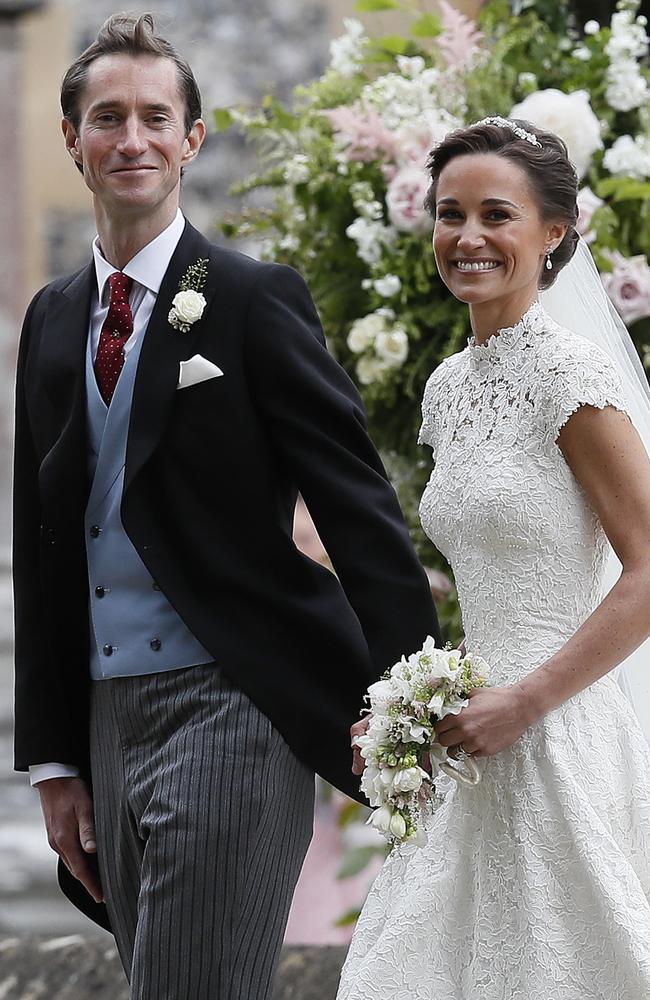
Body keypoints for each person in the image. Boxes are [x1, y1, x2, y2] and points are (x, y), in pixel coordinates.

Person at [12, 14, 440, 999]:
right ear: (71, 140)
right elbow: (41, 550)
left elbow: (355, 504)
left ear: (191, 139)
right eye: (107, 117)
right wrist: (53, 759)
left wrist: (412, 702)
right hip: (105, 718)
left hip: (235, 700)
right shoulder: (53, 319)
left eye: (155, 117)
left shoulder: (250, 300)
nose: (132, 139)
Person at [340, 118, 650, 998]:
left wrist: (526, 702)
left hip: (560, 734)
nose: (467, 237)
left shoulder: (571, 378)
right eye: (450, 214)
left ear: (553, 232)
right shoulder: (447, 386)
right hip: (467, 742)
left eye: (495, 215)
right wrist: (406, 715)